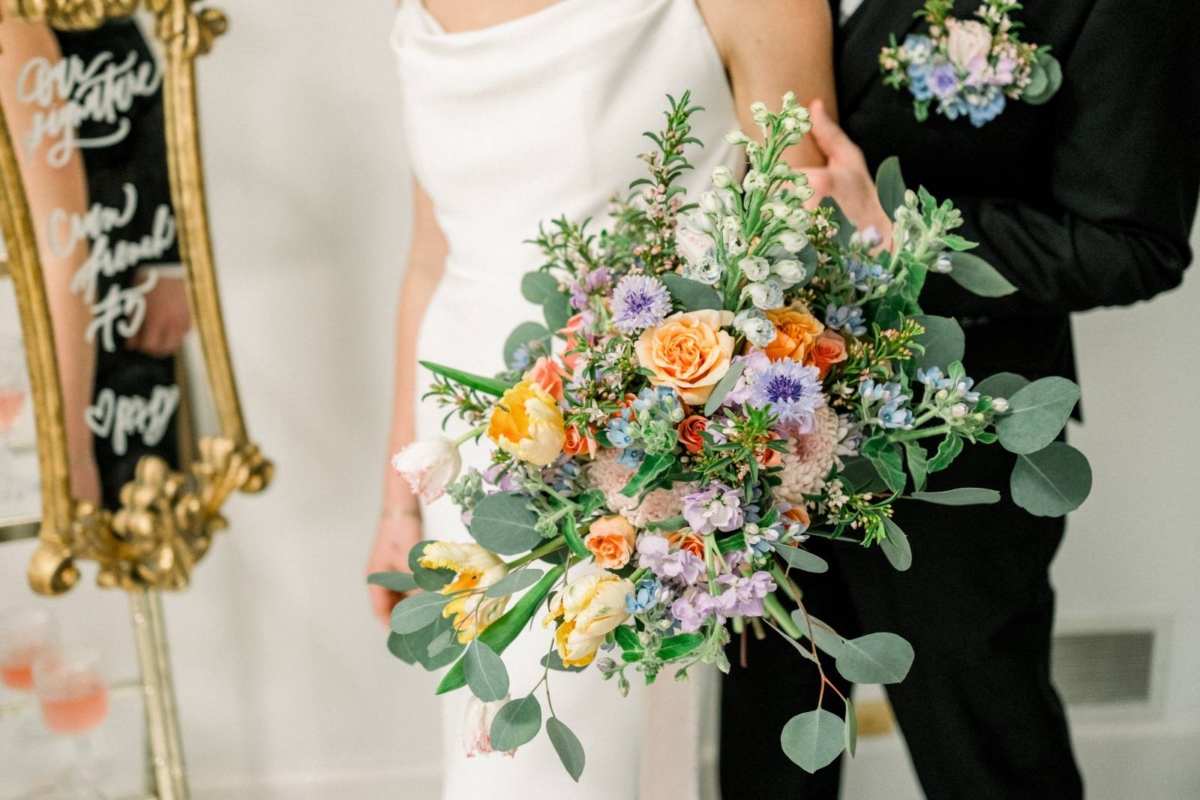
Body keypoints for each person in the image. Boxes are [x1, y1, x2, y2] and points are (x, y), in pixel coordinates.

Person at [719, 1, 1200, 798]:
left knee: (984, 748)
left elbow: (1133, 242)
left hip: (956, 436)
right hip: (747, 423)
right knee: (769, 749)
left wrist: (897, 234)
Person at [366, 1, 836, 797]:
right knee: (491, 752)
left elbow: (805, 234)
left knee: (594, 762)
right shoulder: (420, 14)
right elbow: (430, 259)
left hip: (630, 452)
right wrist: (398, 505)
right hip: (466, 451)